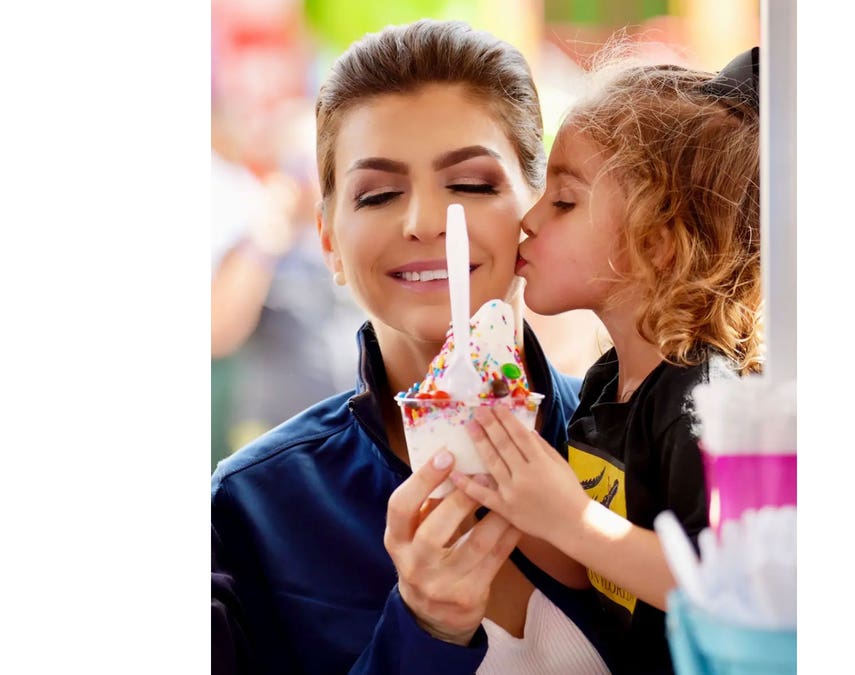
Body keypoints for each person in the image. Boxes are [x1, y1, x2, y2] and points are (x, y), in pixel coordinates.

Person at [211, 20, 612, 674]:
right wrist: (422, 630)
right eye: (378, 193)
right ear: (329, 240)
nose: (426, 222)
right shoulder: (248, 512)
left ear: (535, 213)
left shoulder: (638, 448)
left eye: (472, 184)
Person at [449, 48, 764, 674]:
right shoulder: (605, 383)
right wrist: (499, 480)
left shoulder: (700, 402)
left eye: (563, 201)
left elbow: (721, 590)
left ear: (656, 242)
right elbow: (588, 564)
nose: (529, 221)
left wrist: (573, 519)